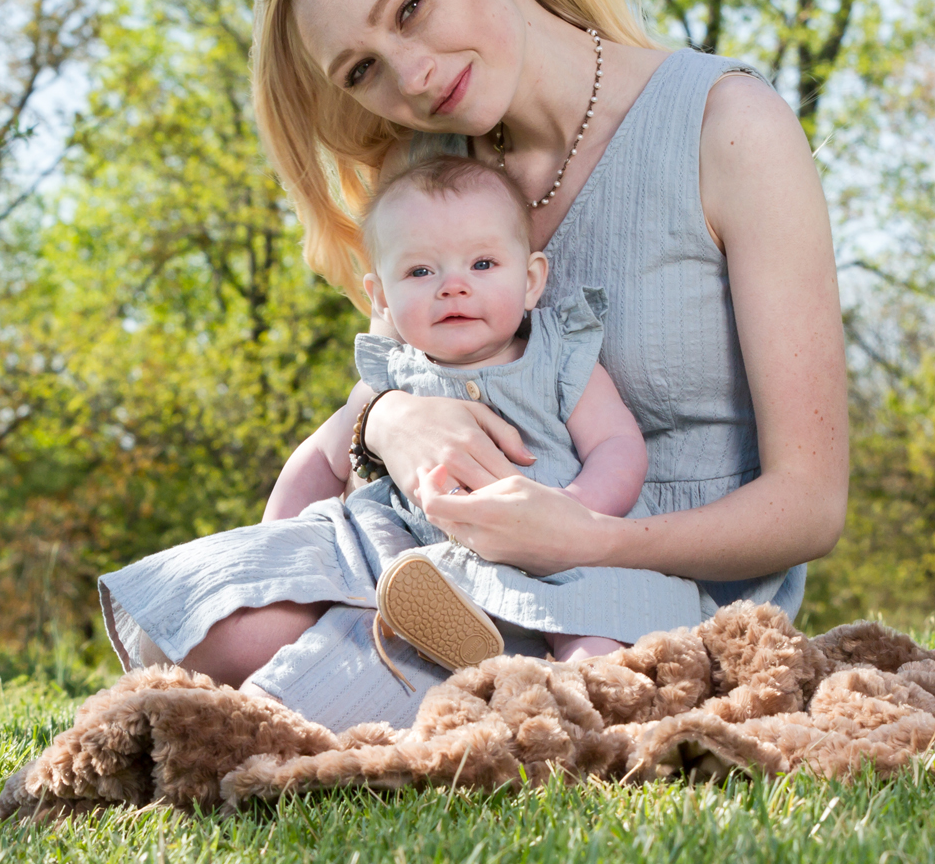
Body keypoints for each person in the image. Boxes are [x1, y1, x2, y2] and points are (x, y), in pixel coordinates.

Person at [96, 0, 847, 733]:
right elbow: (383, 390)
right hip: (443, 549)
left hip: (634, 585)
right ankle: (417, 653)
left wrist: (588, 537)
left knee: (315, 683)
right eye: (363, 69)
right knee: (211, 619)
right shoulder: (433, 175)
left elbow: (809, 504)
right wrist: (385, 422)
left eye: (412, 7)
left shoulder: (728, 125)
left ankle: (401, 678)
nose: (410, 76)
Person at [266, 152, 709, 674]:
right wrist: (278, 542)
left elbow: (617, 445)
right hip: (436, 567)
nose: (452, 286)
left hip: (561, 561)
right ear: (381, 297)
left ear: (530, 280)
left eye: (481, 265)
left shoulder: (558, 356)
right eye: (420, 270)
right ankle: (466, 647)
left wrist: (574, 510)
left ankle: (578, 688)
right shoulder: (390, 381)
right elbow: (320, 455)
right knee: (373, 561)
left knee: (598, 636)